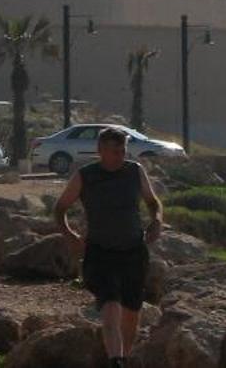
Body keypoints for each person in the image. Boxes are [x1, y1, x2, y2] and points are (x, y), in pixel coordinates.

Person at [55, 127, 163, 368]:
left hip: (134, 251)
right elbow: (60, 208)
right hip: (100, 253)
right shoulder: (86, 175)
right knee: (111, 307)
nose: (120, 155)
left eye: (123, 149)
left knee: (132, 312)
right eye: (115, 151)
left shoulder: (135, 171)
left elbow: (152, 202)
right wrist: (69, 234)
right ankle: (116, 361)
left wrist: (156, 220)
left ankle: (122, 357)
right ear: (101, 151)